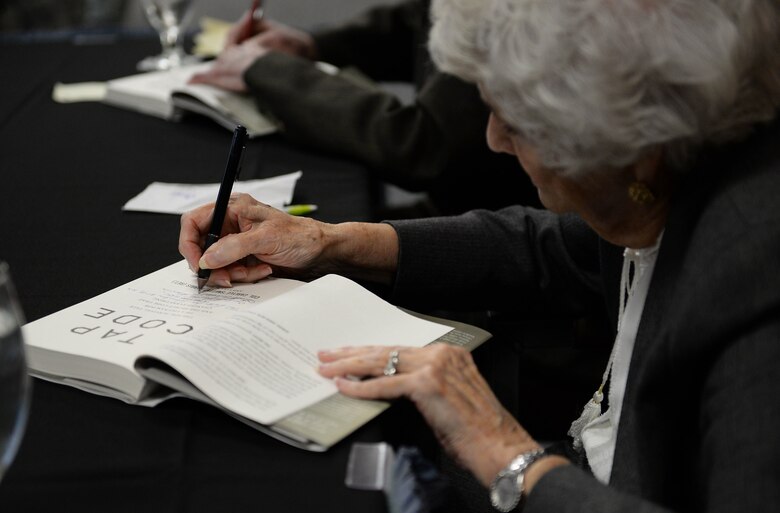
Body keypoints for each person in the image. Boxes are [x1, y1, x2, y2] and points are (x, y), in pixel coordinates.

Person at [179, 0, 780, 511]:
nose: (492, 137)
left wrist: (505, 453)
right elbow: (551, 247)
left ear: (634, 145)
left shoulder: (753, 287)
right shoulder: (661, 182)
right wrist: (331, 243)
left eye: (516, 119)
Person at [190, 0, 540, 216]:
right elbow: (424, 18)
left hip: (508, 228)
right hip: (477, 212)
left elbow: (425, 146)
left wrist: (272, 72)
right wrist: (313, 46)